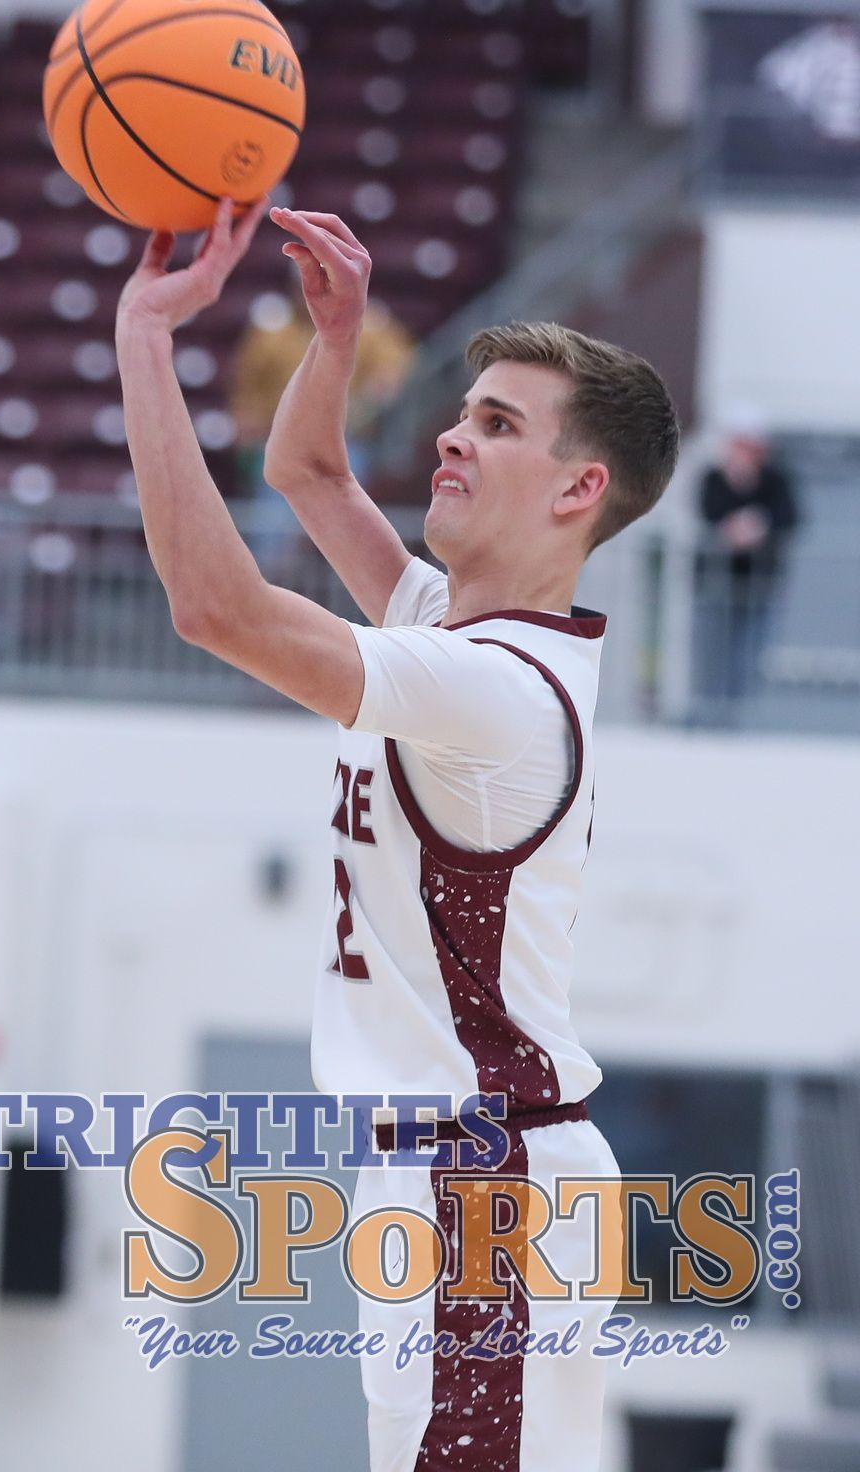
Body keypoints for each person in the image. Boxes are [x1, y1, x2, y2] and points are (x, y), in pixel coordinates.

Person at [115, 198, 680, 1472]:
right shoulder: (453, 628)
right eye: (463, 411)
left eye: (498, 423)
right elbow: (308, 475)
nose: (451, 434)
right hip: (456, 1175)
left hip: (486, 1183)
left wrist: (145, 342)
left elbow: (214, 605)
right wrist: (336, 340)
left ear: (580, 488)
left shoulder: (490, 690)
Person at [230, 275, 413, 565]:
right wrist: (249, 423)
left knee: (345, 495)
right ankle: (273, 571)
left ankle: (343, 566)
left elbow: (395, 368)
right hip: (282, 439)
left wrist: (371, 397)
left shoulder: (370, 327)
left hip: (347, 439)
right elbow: (247, 390)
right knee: (275, 507)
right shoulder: (271, 331)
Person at [697, 412, 798, 709]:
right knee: (711, 650)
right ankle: (710, 711)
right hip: (714, 583)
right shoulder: (714, 477)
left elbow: (789, 516)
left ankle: (742, 712)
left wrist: (759, 524)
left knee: (751, 655)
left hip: (760, 585)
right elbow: (709, 511)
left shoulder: (775, 480)